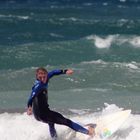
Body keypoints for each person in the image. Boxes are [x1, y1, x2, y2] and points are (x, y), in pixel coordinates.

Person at [27, 67, 95, 139]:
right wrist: (29, 107)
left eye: (44, 77)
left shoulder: (46, 77)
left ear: (46, 75)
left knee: (51, 122)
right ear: (37, 77)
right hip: (42, 114)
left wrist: (65, 71)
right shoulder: (38, 86)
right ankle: (90, 133)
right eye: (41, 77)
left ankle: (54, 138)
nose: (43, 79)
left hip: (39, 114)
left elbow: (53, 72)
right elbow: (31, 97)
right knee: (67, 122)